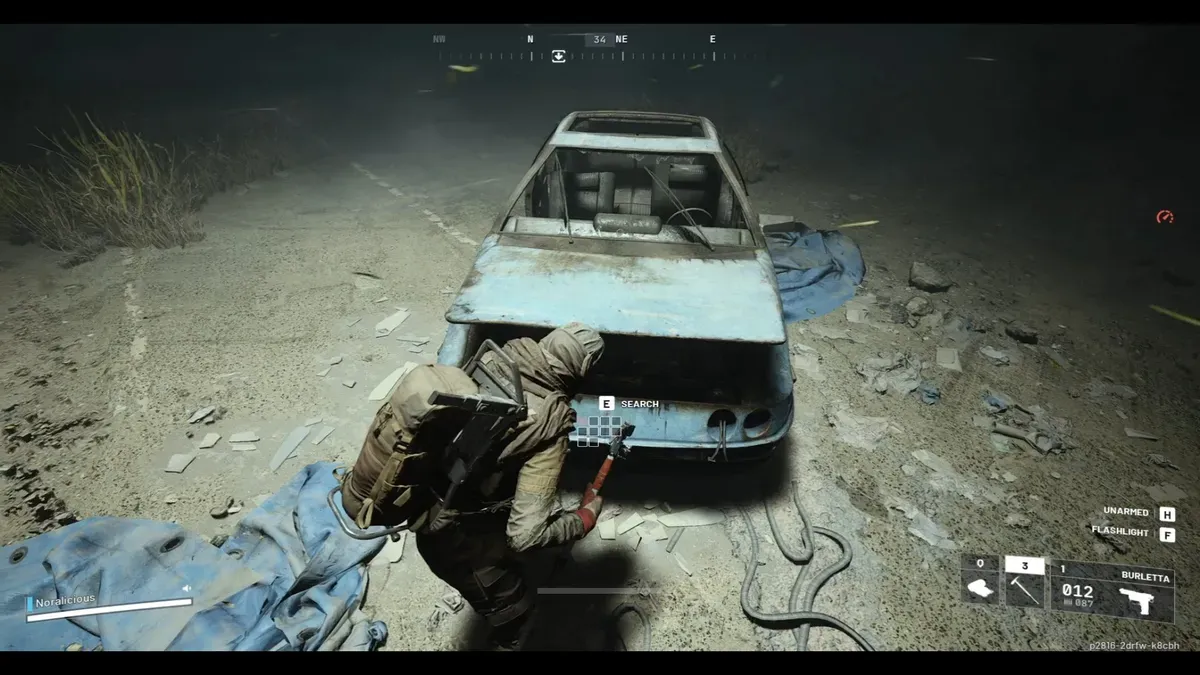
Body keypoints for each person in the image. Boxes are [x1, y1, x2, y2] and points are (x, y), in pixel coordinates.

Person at [345, 322, 607, 650]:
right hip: (457, 544)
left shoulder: (494, 360)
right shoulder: (549, 424)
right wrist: (582, 519)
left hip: (428, 503)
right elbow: (526, 536)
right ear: (580, 371)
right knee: (512, 610)